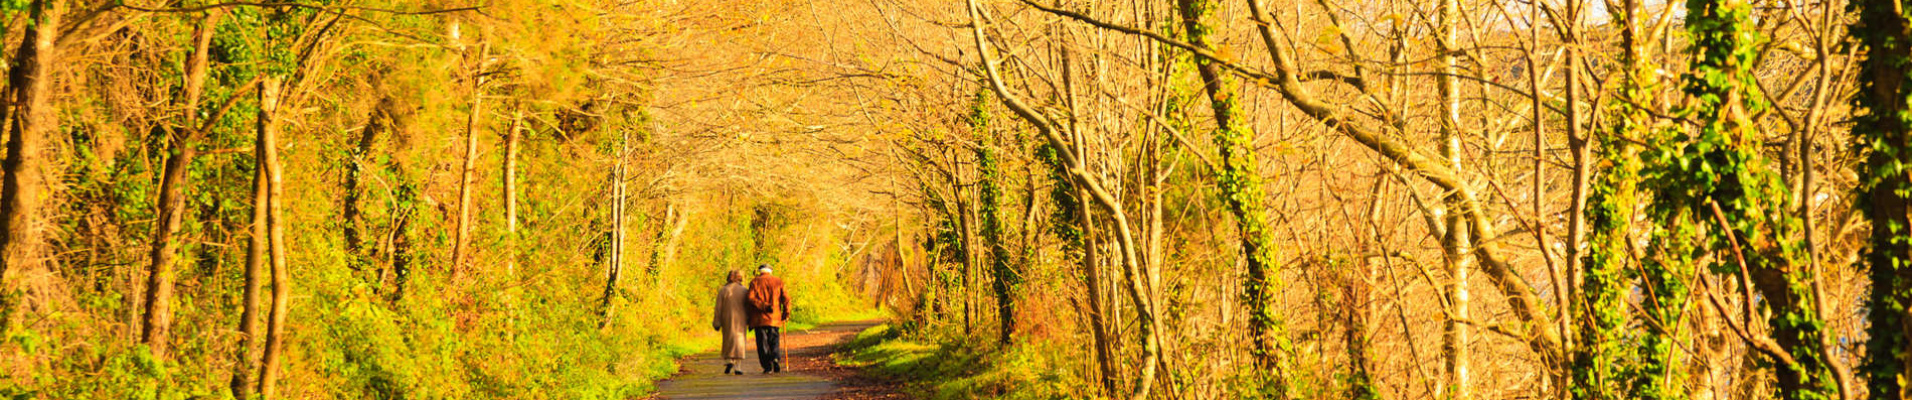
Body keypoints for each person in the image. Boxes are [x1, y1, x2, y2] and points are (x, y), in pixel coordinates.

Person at [746, 264, 790, 373]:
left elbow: (750, 299)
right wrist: (786, 312)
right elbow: (786, 299)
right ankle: (775, 358)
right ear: (770, 271)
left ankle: (767, 366)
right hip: (774, 317)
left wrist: (763, 306)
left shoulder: (754, 282)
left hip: (759, 319)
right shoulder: (778, 281)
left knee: (762, 342)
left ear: (760, 271)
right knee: (774, 339)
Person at [710, 270, 750, 375]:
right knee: (740, 341)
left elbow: (718, 308)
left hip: (727, 318)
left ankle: (729, 361)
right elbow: (749, 307)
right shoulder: (744, 290)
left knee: (728, 339)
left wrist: (717, 322)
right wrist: (750, 319)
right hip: (741, 319)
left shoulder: (723, 290)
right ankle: (738, 366)